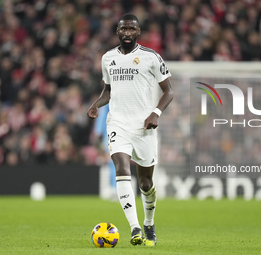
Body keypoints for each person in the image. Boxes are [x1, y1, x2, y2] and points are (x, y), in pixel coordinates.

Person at [87, 13, 173, 247]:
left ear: (138, 32)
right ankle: (135, 228)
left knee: (145, 183)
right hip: (117, 123)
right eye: (123, 29)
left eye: (131, 29)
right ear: (117, 31)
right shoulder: (108, 58)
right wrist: (96, 104)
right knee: (122, 168)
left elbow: (169, 91)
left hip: (144, 126)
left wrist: (156, 113)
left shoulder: (151, 58)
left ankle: (148, 223)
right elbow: (108, 91)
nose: (127, 33)